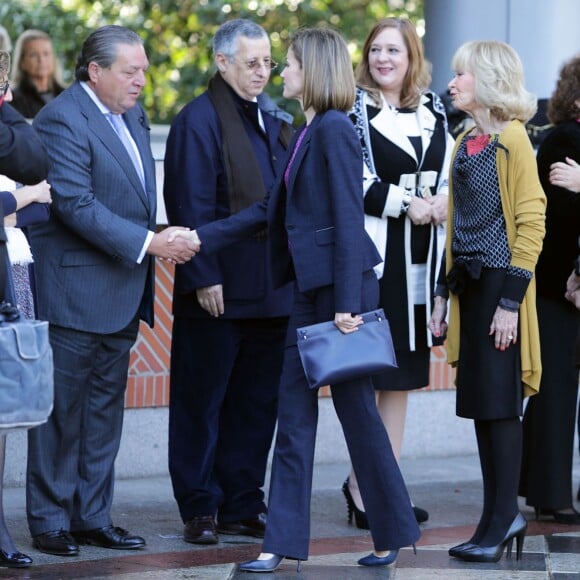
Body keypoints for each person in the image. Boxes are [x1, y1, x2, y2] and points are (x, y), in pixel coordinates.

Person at [173, 26, 420, 572]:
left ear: (313, 70)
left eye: (288, 65)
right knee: (294, 419)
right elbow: (268, 212)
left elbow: (348, 215)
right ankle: (278, 545)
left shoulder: (332, 130)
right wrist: (198, 238)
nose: (280, 73)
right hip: (308, 296)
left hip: (340, 299)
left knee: (359, 419)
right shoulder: (307, 131)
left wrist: (347, 305)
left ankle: (393, 532)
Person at [25, 25, 197, 558]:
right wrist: (152, 243)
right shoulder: (61, 119)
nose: (142, 80)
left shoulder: (131, 116)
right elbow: (74, 205)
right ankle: (51, 520)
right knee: (63, 417)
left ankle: (92, 517)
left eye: (143, 70)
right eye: (131, 70)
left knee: (103, 414)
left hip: (122, 290)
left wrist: (159, 235)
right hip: (75, 293)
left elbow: (131, 195)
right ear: (95, 71)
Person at [163, 19, 293, 545]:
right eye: (251, 63)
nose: (262, 72)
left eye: (268, 63)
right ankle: (200, 506)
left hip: (270, 288)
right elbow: (188, 205)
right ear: (222, 63)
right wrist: (203, 276)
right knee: (202, 402)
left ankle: (242, 500)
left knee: (256, 403)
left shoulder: (275, 118)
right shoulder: (196, 120)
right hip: (217, 287)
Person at [429, 40, 546, 563]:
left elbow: (531, 222)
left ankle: (505, 517)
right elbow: (455, 228)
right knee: (481, 407)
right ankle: (492, 519)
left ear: (490, 80)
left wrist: (509, 303)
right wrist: (439, 293)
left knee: (502, 408)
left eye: (462, 75)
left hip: (502, 288)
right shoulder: (466, 140)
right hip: (468, 288)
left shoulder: (514, 139)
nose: (452, 83)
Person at [344, 17, 455, 528]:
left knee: (403, 380)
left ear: (412, 57)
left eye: (394, 50)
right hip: (378, 260)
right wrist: (407, 203)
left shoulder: (435, 109)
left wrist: (442, 204)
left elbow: (454, 172)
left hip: (421, 262)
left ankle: (381, 485)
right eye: (375, 50)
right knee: (371, 375)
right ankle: (364, 487)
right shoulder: (355, 112)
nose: (383, 59)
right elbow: (354, 181)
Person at [519, 55, 580, 524]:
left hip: (566, 285)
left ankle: (551, 491)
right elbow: (560, 214)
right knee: (554, 391)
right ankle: (550, 493)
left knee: (554, 391)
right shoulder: (564, 139)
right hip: (561, 286)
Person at [0, 47, 51, 570]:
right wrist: (23, 198)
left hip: (6, 272)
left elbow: (35, 159)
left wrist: (2, 100)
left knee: (0, 401)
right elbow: (30, 182)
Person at [10, 29, 65, 118]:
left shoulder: (67, 95)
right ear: (22, 62)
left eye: (46, 54)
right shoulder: (13, 100)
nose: (41, 60)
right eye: (33, 55)